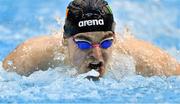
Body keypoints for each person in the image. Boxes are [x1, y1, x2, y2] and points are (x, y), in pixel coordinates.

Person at [2, 0, 180, 78]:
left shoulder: (147, 60)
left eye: (106, 42)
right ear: (65, 39)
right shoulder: (28, 58)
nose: (96, 55)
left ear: (115, 39)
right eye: (84, 42)